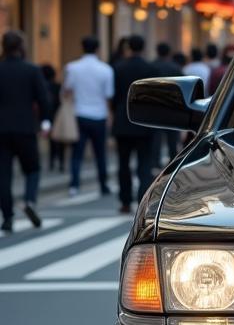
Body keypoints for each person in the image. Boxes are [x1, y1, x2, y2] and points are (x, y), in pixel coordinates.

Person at [0, 30, 50, 230]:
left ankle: (8, 217)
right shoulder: (31, 70)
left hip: (1, 130)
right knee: (33, 168)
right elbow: (43, 99)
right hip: (25, 127)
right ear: (21, 47)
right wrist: (46, 122)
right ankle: (30, 201)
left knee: (3, 174)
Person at [63, 36, 114, 196]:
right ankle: (103, 184)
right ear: (98, 49)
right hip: (99, 114)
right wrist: (110, 117)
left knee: (77, 153)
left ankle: (74, 185)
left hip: (79, 114)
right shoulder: (106, 69)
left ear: (82, 48)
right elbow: (108, 95)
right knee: (100, 153)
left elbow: (67, 91)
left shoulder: (72, 67)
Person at [112, 35, 156, 214]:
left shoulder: (118, 68)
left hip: (123, 120)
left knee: (123, 163)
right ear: (144, 48)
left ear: (128, 47)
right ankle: (142, 201)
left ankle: (124, 201)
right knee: (144, 164)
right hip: (144, 120)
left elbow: (114, 96)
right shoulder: (150, 68)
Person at [150, 42, 182, 164]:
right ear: (168, 52)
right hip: (172, 108)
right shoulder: (175, 67)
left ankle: (155, 162)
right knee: (172, 138)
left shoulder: (152, 66)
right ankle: (173, 162)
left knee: (156, 138)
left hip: (155, 107)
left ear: (157, 51)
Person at [40, 64, 65, 171]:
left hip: (46, 118)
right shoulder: (58, 86)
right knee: (60, 140)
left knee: (50, 140)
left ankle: (51, 162)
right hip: (58, 116)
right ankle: (61, 162)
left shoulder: (42, 86)